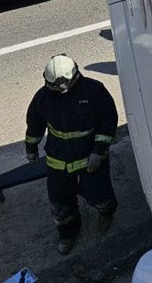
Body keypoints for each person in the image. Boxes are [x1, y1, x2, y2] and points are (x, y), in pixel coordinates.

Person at [25, 54, 118, 254]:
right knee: (60, 202)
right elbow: (35, 123)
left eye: (64, 87)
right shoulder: (42, 98)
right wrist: (31, 148)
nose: (61, 91)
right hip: (59, 159)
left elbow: (108, 120)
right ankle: (68, 234)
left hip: (89, 156)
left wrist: (98, 151)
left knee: (99, 194)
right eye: (55, 88)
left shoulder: (94, 91)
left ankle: (106, 213)